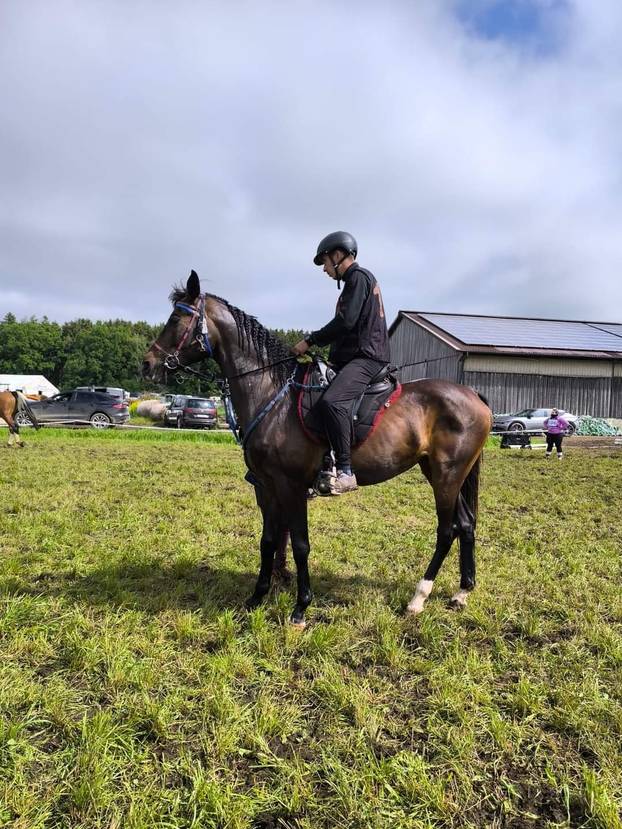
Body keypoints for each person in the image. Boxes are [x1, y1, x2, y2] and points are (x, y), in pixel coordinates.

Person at [293, 231, 390, 494]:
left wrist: (310, 341)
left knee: (333, 401)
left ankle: (346, 471)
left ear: (338, 255)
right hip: (352, 356)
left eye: (324, 262)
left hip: (367, 358)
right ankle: (321, 466)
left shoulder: (358, 278)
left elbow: (345, 322)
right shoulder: (354, 282)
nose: (324, 269)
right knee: (314, 392)